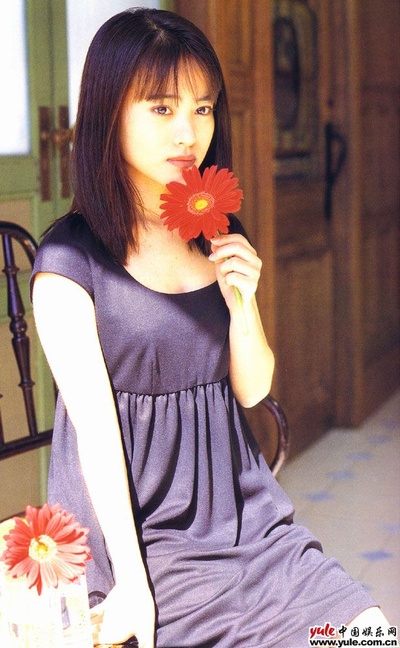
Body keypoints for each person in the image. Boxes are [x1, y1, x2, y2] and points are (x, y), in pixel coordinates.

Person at [31, 8, 390, 648]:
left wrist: (243, 302)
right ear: (109, 113)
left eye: (202, 108)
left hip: (245, 520)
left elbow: (252, 390)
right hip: (140, 539)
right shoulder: (68, 263)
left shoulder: (218, 233)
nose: (189, 132)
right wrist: (132, 585)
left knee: (366, 635)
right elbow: (96, 437)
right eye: (162, 108)